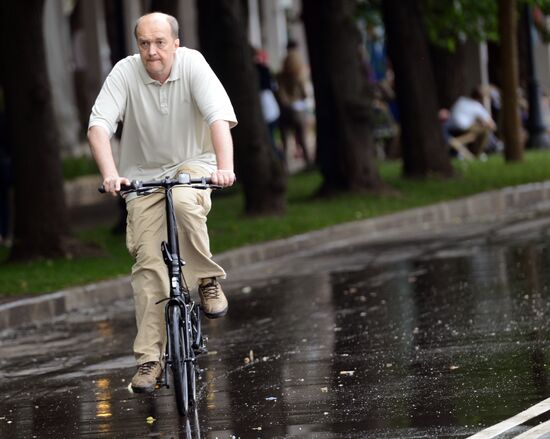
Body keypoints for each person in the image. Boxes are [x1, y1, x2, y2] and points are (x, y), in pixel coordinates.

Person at [87, 12, 237, 393]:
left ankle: (206, 280)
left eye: (159, 43)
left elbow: (218, 117)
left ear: (175, 43)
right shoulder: (125, 71)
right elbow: (99, 126)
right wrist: (110, 174)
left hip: (194, 164)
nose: (152, 52)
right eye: (144, 44)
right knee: (148, 267)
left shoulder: (193, 64)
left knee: (186, 203)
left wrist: (225, 168)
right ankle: (150, 360)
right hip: (143, 175)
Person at [276, 41, 312, 167]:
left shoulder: (281, 75)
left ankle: (285, 165)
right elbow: (304, 93)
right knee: (302, 139)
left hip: (285, 110)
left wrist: (285, 103)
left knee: (285, 140)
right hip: (298, 109)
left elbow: (280, 93)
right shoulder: (299, 72)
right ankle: (308, 162)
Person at [445, 86, 497, 157]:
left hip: (451, 126)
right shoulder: (477, 106)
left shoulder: (461, 100)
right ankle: (478, 154)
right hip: (463, 127)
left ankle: (463, 145)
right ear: (481, 98)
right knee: (484, 131)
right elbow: (492, 125)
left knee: (474, 131)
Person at [254, 48, 283, 161]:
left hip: (267, 109)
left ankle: (277, 158)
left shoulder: (259, 70)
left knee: (270, 138)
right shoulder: (264, 69)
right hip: (271, 108)